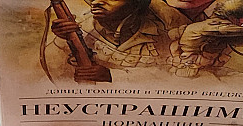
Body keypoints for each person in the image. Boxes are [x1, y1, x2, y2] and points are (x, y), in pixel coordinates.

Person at [47, 0, 187, 79]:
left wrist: (111, 76)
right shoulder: (83, 27)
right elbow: (54, 75)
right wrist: (64, 41)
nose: (96, 2)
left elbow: (182, 77)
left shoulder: (168, 27)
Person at [173, 0, 243, 77]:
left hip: (204, 64)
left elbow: (242, 41)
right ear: (233, 14)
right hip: (188, 64)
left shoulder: (225, 28)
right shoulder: (215, 25)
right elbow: (224, 30)